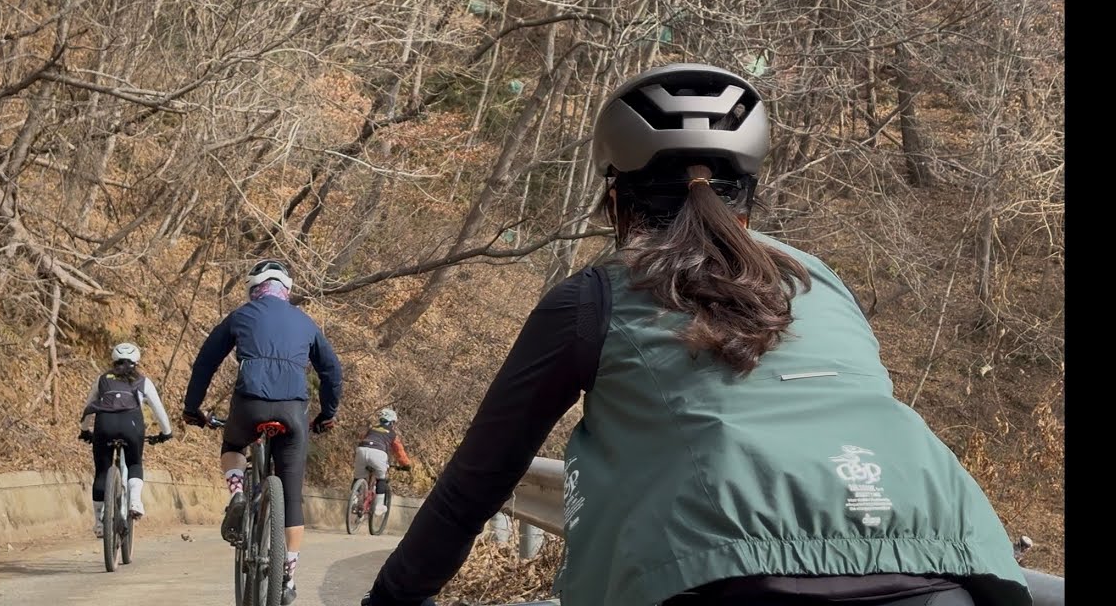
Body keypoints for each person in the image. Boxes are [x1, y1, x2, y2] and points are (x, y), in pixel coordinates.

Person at [360, 64, 1031, 606]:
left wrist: (390, 599)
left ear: (615, 200)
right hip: (943, 559)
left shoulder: (595, 297)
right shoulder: (820, 280)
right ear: (751, 195)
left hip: (720, 577)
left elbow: (473, 487)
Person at [182, 259, 343, 606]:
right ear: (287, 290)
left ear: (254, 288)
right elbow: (331, 370)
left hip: (250, 403)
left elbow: (205, 361)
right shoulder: (306, 322)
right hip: (294, 411)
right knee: (292, 498)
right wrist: (327, 414)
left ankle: (238, 492)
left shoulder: (241, 315)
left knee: (234, 444)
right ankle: (287, 576)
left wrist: (192, 408)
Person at [78, 342, 173, 536]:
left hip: (104, 425)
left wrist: (84, 430)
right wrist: (166, 432)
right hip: (132, 426)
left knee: (102, 472)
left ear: (113, 361)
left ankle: (98, 524)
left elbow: (89, 407)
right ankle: (135, 501)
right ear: (136, 362)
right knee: (134, 463)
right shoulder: (143, 382)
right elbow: (158, 410)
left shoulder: (102, 380)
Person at [354, 408, 412, 516]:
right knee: (381, 479)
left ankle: (354, 501)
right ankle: (378, 507)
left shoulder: (372, 429)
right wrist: (406, 465)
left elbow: (362, 438)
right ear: (392, 422)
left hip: (362, 450)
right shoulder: (392, 433)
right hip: (379, 453)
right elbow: (399, 451)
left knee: (358, 477)